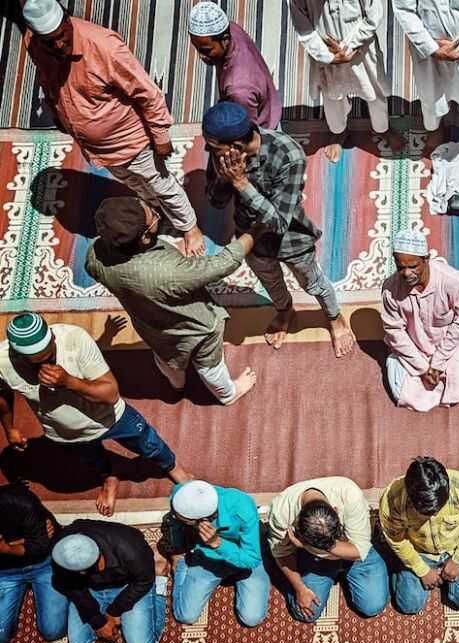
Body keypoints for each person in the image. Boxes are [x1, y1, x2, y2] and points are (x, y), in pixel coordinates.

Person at [22, 0, 204, 257]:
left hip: (131, 140)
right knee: (134, 182)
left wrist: (161, 135)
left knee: (162, 183)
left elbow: (148, 93)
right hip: (98, 149)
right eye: (50, 42)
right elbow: (46, 78)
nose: (58, 45)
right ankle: (154, 210)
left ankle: (189, 227)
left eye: (61, 37)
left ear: (67, 21)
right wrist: (59, 113)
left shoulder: (104, 47)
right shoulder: (35, 43)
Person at [202, 101, 355, 357]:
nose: (208, 150)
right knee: (271, 282)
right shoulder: (222, 154)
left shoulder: (288, 154)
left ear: (237, 145)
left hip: (291, 240)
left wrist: (241, 183)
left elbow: (280, 223)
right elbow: (216, 202)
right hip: (251, 238)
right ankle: (285, 311)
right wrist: (223, 177)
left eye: (213, 146)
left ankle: (335, 318)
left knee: (313, 283)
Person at [0, 314, 190, 516]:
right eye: (38, 361)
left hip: (111, 417)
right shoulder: (3, 363)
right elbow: (2, 396)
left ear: (53, 337)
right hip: (65, 433)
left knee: (148, 442)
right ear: (19, 356)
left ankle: (172, 466)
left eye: (50, 354)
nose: (47, 362)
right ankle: (109, 478)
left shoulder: (75, 339)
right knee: (94, 460)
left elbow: (111, 394)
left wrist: (69, 382)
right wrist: (10, 428)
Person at [85, 196, 257, 405]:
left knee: (168, 362)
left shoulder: (94, 255)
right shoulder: (167, 274)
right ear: (144, 238)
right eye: (154, 217)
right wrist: (254, 232)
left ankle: (177, 384)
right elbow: (224, 263)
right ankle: (228, 394)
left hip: (152, 330)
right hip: (196, 331)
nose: (157, 215)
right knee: (209, 366)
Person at [288, 0, 405, 160]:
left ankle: (383, 128)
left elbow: (373, 15)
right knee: (332, 98)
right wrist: (328, 56)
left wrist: (348, 47)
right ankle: (338, 133)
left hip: (361, 48)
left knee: (374, 91)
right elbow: (303, 28)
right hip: (326, 53)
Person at [267, 476, 388, 622]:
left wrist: (314, 545)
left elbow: (358, 552)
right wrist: (300, 588)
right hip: (315, 559)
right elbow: (282, 554)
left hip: (353, 548)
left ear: (336, 511)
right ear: (297, 525)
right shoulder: (280, 512)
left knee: (373, 606)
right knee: (306, 613)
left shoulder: (349, 495)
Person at [382, 230, 459, 412]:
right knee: (403, 394)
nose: (407, 273)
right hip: (413, 347)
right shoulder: (390, 289)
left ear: (426, 259)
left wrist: (438, 363)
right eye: (401, 267)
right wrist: (423, 368)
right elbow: (395, 332)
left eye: (413, 266)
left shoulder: (452, 281)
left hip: (447, 347)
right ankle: (400, 365)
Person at [379, 457, 459, 614]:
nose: (435, 515)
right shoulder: (392, 501)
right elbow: (397, 540)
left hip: (457, 545)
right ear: (410, 497)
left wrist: (458, 560)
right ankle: (399, 569)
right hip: (419, 550)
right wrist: (422, 570)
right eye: (427, 513)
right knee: (409, 606)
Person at [393, 0, 459, 157]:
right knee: (431, 93)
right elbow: (404, 9)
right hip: (428, 44)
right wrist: (431, 47)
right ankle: (435, 128)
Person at [51, 520, 169, 643]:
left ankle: (160, 580)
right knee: (79, 642)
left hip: (128, 585)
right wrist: (97, 621)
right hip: (89, 589)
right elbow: (71, 587)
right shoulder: (63, 551)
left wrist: (114, 611)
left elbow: (144, 581)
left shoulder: (131, 548)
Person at [167, 480, 269, 628]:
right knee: (185, 615)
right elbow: (174, 521)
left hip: (244, 552)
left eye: (186, 521)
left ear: (204, 521)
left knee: (252, 618)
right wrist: (176, 552)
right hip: (207, 555)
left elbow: (252, 560)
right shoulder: (182, 494)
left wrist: (218, 544)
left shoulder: (243, 507)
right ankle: (184, 565)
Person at [187, 2, 282, 130]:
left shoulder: (239, 90)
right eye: (197, 48)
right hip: (267, 106)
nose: (201, 56)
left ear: (225, 40)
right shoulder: (232, 30)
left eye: (206, 50)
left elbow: (247, 135)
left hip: (262, 129)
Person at [0, 484, 68, 643]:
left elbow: (40, 546)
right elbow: (38, 539)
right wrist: (25, 541)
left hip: (43, 564)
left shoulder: (21, 500)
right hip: (5, 572)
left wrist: (7, 548)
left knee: (53, 632)